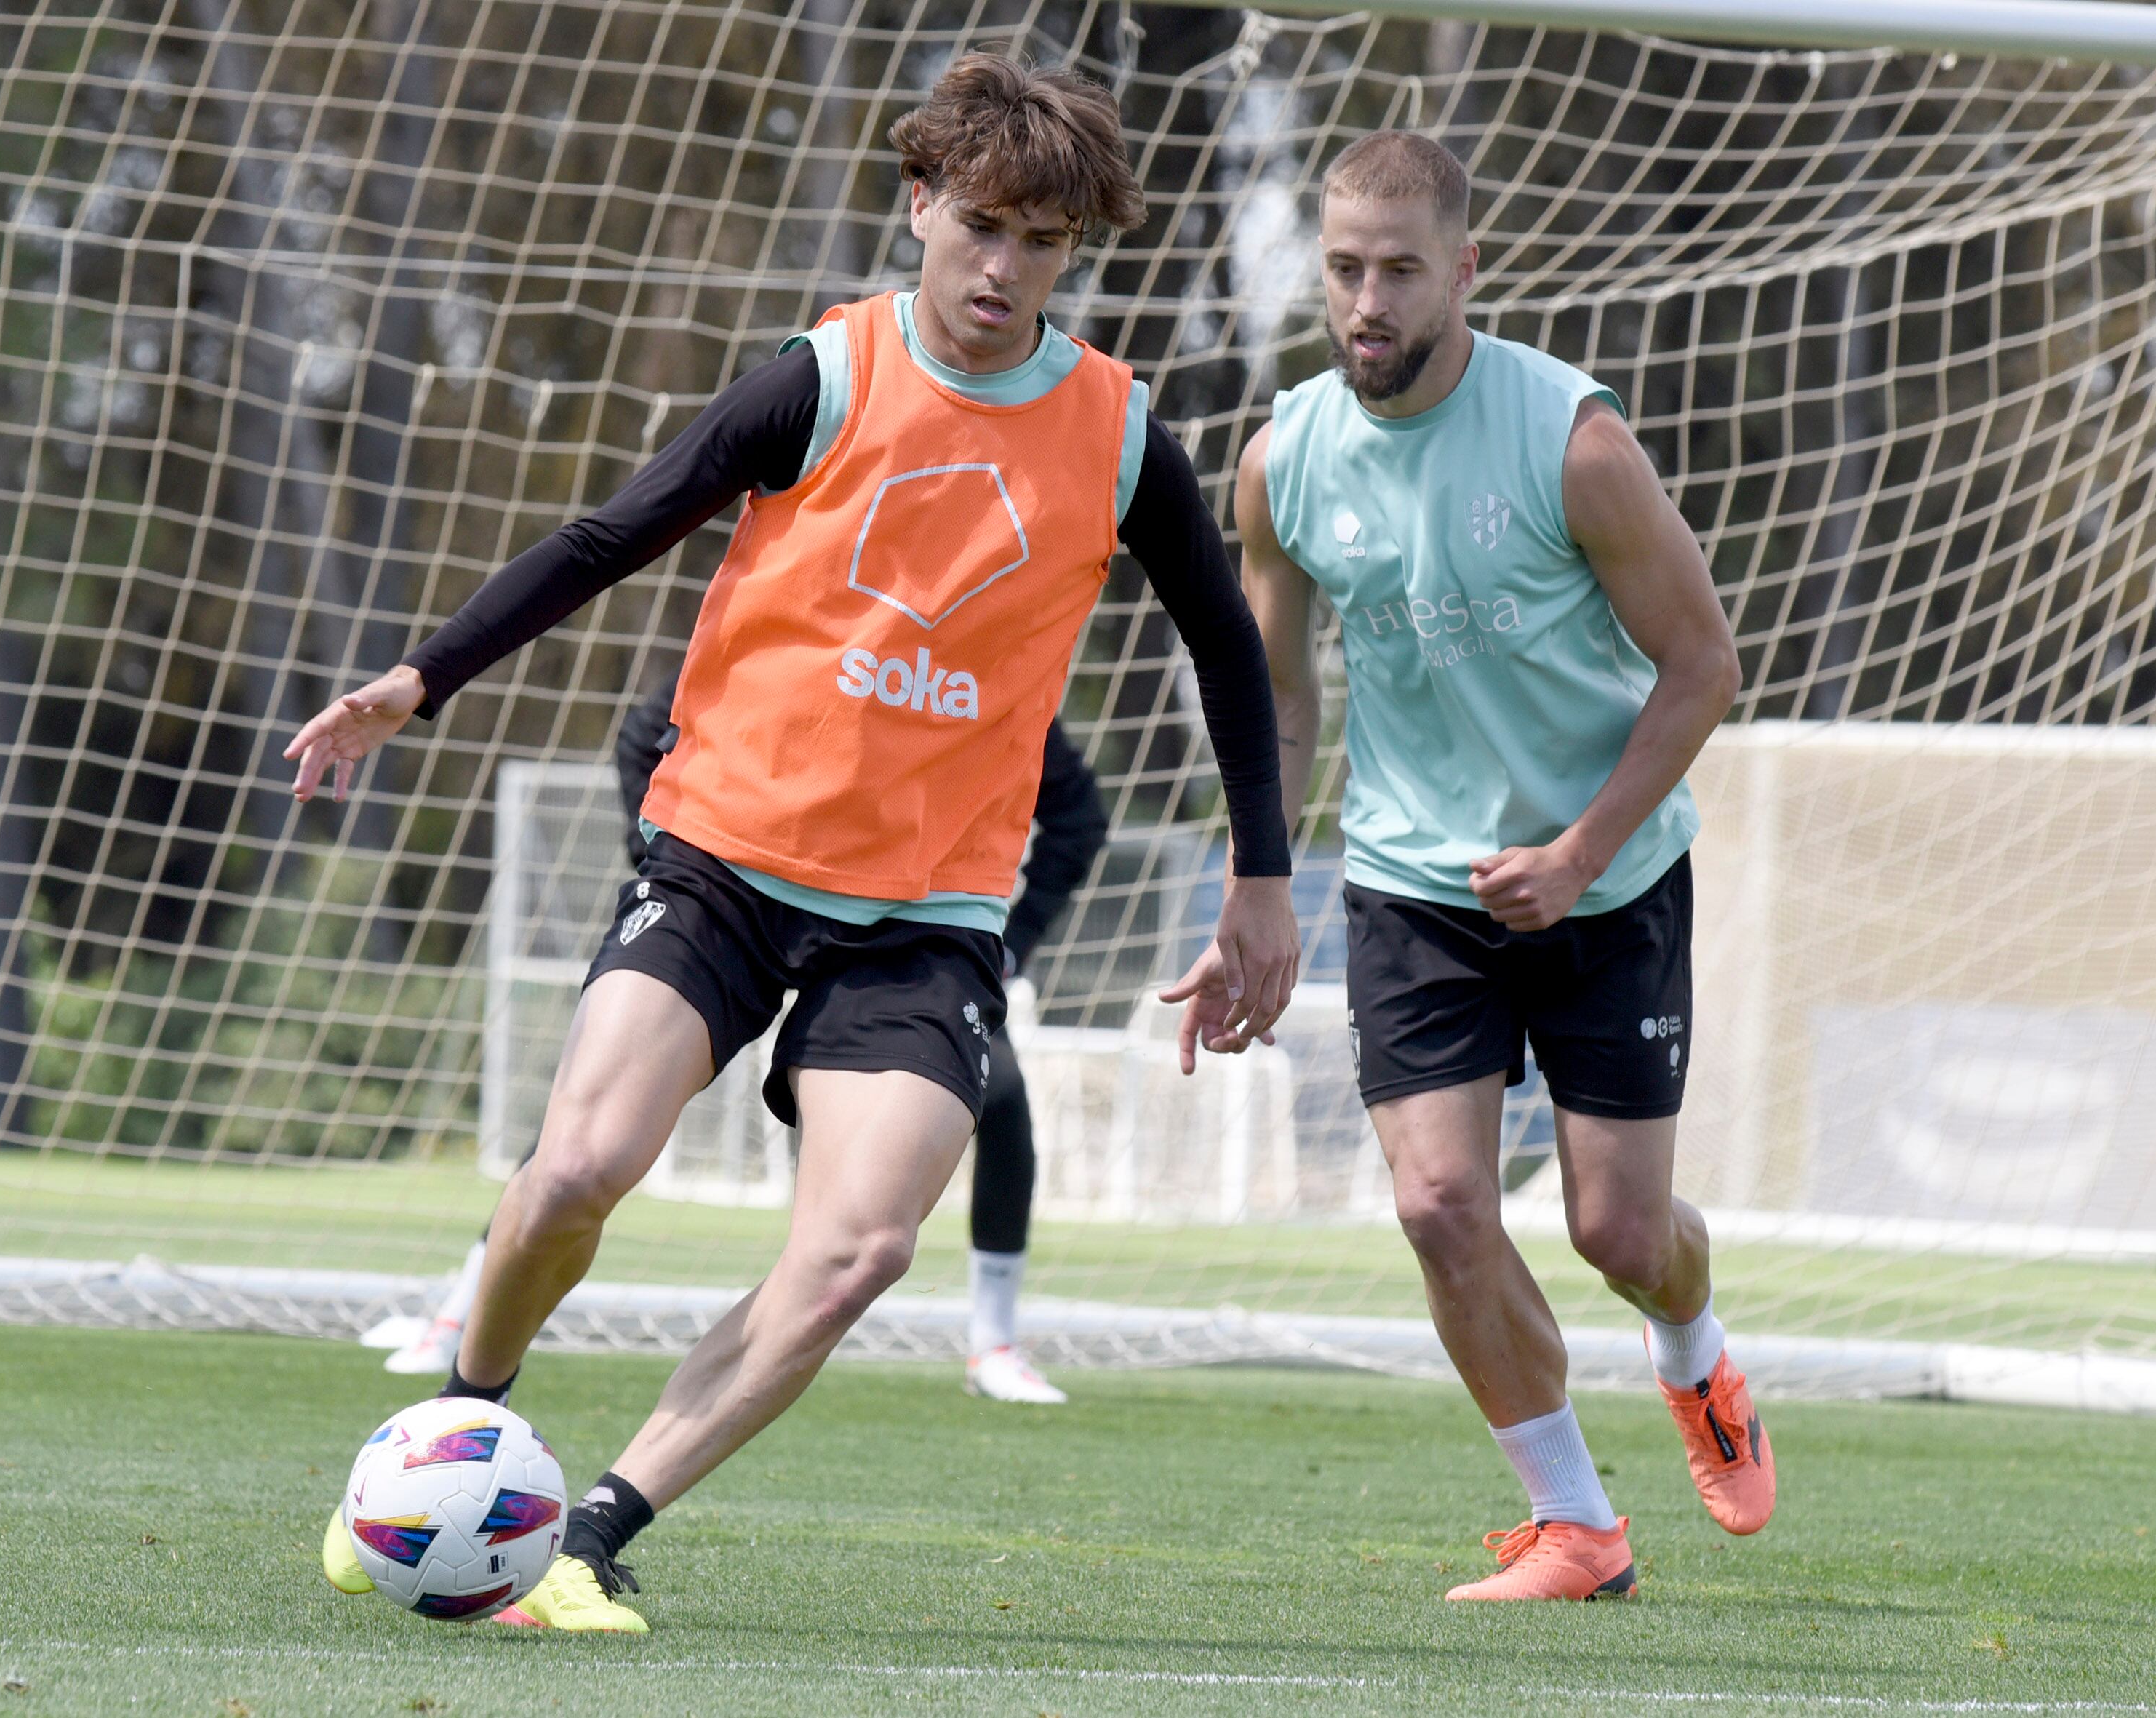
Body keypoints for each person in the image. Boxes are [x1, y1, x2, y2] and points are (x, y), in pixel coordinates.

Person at [287, 54, 1297, 1633]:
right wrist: (422, 679)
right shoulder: (820, 377)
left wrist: (1259, 880)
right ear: (919, 207)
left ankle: (587, 1535)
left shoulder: (1112, 433)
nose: (1000, 267)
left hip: (925, 916)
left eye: (1040, 239)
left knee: (859, 1250)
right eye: (978, 224)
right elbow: (613, 531)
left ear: (1071, 249)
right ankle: (439, 1453)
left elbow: (1226, 646)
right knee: (576, 1168)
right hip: (718, 863)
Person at [1198, 129, 1757, 1602]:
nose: (1364, 300)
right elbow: (1281, 693)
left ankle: (1693, 1353)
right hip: (1408, 882)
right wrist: (1258, 882)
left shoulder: (1570, 442)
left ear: (1463, 269)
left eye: (1396, 269)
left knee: (1618, 1231)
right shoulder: (1283, 458)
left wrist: (1578, 852)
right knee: (1438, 1201)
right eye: (1340, 269)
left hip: (1607, 876)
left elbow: (1702, 664)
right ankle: (1574, 1522)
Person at [370, 674, 1111, 1406]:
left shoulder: (985, 676)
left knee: (999, 1096)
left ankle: (994, 1342)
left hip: (896, 949)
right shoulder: (791, 642)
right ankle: (462, 1319)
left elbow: (1078, 816)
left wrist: (1010, 943)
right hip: (738, 911)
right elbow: (647, 729)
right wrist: (668, 860)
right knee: (593, 1128)